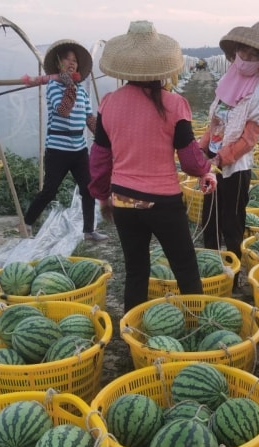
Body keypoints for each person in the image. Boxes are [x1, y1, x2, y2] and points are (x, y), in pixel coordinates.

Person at [88, 21, 217, 312]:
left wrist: (100, 193)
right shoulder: (175, 104)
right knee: (185, 266)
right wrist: (206, 170)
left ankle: (132, 332)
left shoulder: (109, 103)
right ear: (162, 68)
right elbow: (189, 158)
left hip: (122, 199)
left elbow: (99, 158)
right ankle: (197, 325)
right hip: (163, 202)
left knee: (136, 270)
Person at [197, 22, 259, 262]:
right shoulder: (227, 81)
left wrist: (221, 158)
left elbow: (249, 139)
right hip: (212, 164)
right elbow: (214, 123)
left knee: (231, 222)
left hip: (235, 169)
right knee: (209, 218)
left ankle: (232, 274)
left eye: (253, 55)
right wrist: (203, 148)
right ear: (235, 51)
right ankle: (212, 267)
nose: (246, 58)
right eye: (243, 52)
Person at [22, 39, 107, 241]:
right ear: (59, 64)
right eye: (67, 60)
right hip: (57, 149)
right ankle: (26, 223)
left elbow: (89, 118)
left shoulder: (82, 92)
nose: (72, 63)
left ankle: (88, 231)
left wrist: (104, 137)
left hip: (79, 149)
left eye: (75, 60)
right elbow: (63, 111)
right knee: (50, 190)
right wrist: (69, 85)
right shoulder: (52, 86)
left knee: (88, 189)